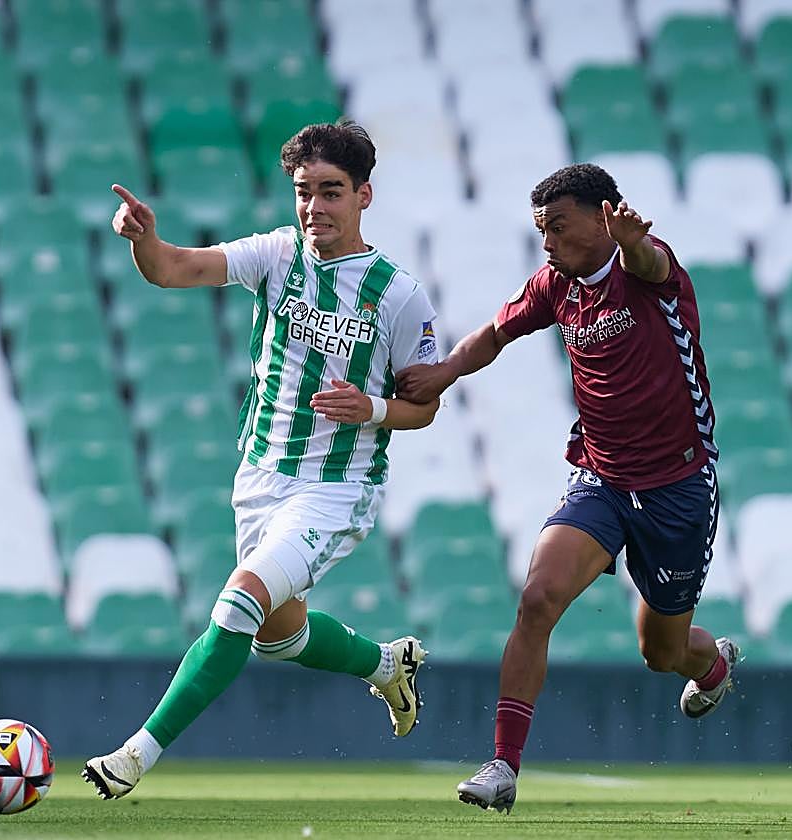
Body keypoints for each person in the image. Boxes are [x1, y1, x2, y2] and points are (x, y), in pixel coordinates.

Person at [83, 120, 441, 799]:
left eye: (331, 193)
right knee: (278, 636)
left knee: (241, 599)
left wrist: (371, 410)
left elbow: (423, 405)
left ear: (364, 196)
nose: (314, 208)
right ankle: (385, 663)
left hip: (336, 487)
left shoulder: (398, 295)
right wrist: (145, 241)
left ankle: (136, 754)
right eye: (304, 192)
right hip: (260, 478)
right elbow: (171, 270)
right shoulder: (278, 255)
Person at [396, 163, 737, 814]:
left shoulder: (649, 269)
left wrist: (632, 242)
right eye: (540, 230)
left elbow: (648, 259)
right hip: (602, 479)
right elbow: (497, 332)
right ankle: (502, 765)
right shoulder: (557, 286)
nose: (547, 243)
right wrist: (442, 374)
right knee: (537, 598)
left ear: (602, 216)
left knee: (662, 652)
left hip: (678, 489)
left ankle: (711, 666)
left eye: (557, 227)